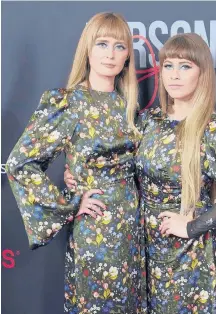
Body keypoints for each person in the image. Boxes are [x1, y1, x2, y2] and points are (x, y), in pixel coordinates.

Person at [6, 12, 146, 314]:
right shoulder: (68, 102)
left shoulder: (129, 106)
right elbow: (20, 164)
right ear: (87, 49)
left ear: (127, 57)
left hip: (134, 232)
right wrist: (69, 202)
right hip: (95, 231)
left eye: (119, 46)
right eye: (102, 44)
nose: (110, 54)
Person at [135, 33, 216, 313]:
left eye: (185, 66)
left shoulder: (212, 129)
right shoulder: (149, 121)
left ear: (202, 74)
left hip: (190, 258)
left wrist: (193, 227)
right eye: (168, 65)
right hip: (145, 253)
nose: (174, 75)